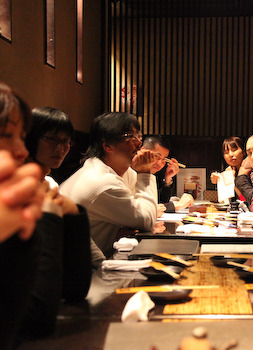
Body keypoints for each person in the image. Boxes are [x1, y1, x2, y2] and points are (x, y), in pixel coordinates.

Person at [0, 83, 89, 347]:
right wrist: (48, 217)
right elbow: (37, 317)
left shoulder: (45, 187)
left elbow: (73, 289)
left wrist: (73, 215)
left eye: (66, 142)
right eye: (7, 135)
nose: (22, 151)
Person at [60, 112, 157, 258]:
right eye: (130, 136)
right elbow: (147, 220)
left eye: (138, 135)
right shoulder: (102, 181)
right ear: (107, 146)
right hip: (81, 270)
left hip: (101, 257)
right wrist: (145, 173)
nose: (138, 143)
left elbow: (138, 213)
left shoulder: (118, 171)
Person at [141, 135, 193, 212]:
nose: (159, 163)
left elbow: (160, 202)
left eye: (164, 159)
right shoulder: (129, 172)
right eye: (156, 156)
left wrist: (168, 179)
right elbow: (143, 209)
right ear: (143, 151)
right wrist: (177, 205)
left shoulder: (152, 174)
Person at [210, 136, 246, 202]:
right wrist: (219, 180)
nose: (230, 154)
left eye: (234, 150)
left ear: (244, 152)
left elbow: (248, 200)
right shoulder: (230, 170)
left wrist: (232, 181)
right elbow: (224, 200)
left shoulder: (250, 171)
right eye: (226, 152)